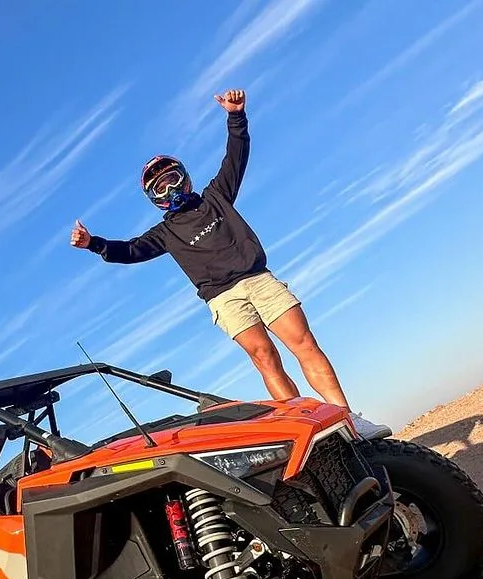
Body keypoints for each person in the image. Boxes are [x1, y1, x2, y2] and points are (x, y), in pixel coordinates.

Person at [71, 89, 384, 436]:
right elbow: (129, 251)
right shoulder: (162, 234)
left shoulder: (216, 196)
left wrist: (235, 116)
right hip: (224, 298)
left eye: (172, 179)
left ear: (185, 177)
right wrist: (92, 243)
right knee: (265, 358)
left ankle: (349, 420)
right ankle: (312, 431)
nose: (169, 189)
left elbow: (236, 156)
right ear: (154, 199)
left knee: (303, 343)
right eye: (160, 187)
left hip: (258, 279)